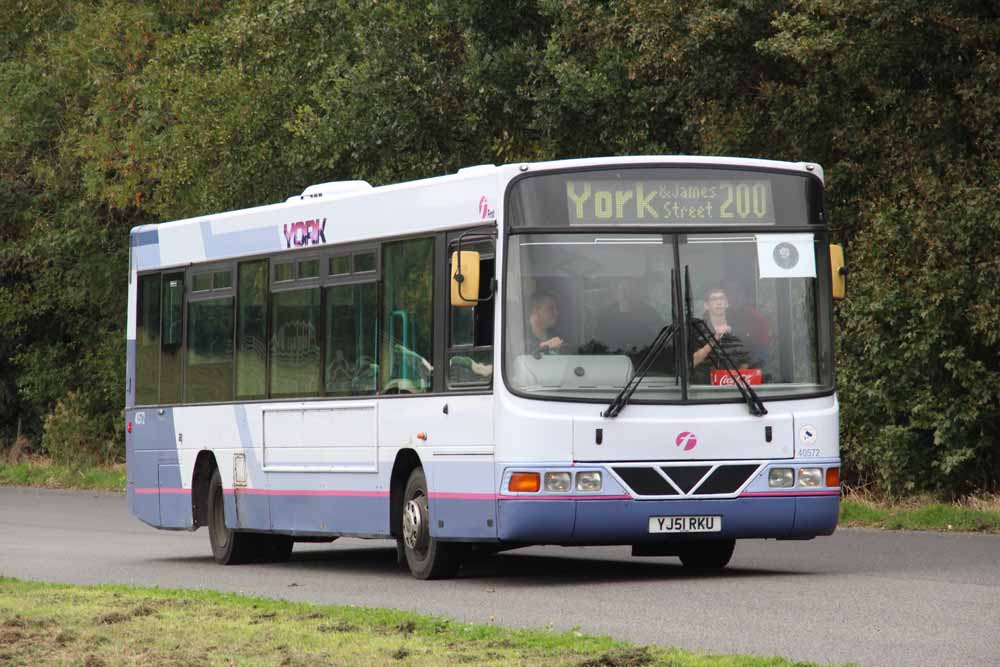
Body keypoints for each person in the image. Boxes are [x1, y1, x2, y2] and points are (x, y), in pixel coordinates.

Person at [690, 286, 753, 383]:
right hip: (702, 389)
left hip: (733, 389)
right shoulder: (697, 330)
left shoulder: (738, 331)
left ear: (727, 304)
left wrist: (737, 380)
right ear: (706, 305)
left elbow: (744, 362)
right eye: (714, 299)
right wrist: (714, 339)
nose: (719, 302)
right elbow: (691, 362)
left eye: (721, 299)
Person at [592, 278, 664, 354]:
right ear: (616, 293)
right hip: (612, 360)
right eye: (622, 290)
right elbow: (598, 342)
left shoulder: (649, 313)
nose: (626, 295)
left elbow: (660, 336)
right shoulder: (605, 316)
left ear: (637, 293)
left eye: (630, 291)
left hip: (645, 360)